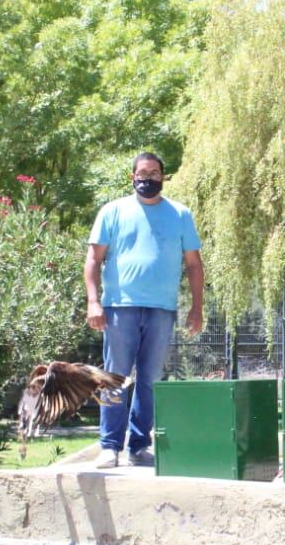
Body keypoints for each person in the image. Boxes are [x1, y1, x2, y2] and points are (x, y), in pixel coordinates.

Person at [84, 152, 204, 468]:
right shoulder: (113, 211)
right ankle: (109, 446)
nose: (147, 178)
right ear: (132, 177)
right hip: (119, 307)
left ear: (163, 177)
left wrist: (197, 307)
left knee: (150, 379)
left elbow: (193, 264)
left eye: (154, 173)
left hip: (161, 309)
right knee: (113, 378)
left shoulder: (180, 214)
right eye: (142, 172)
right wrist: (93, 301)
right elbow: (93, 260)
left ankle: (138, 446)